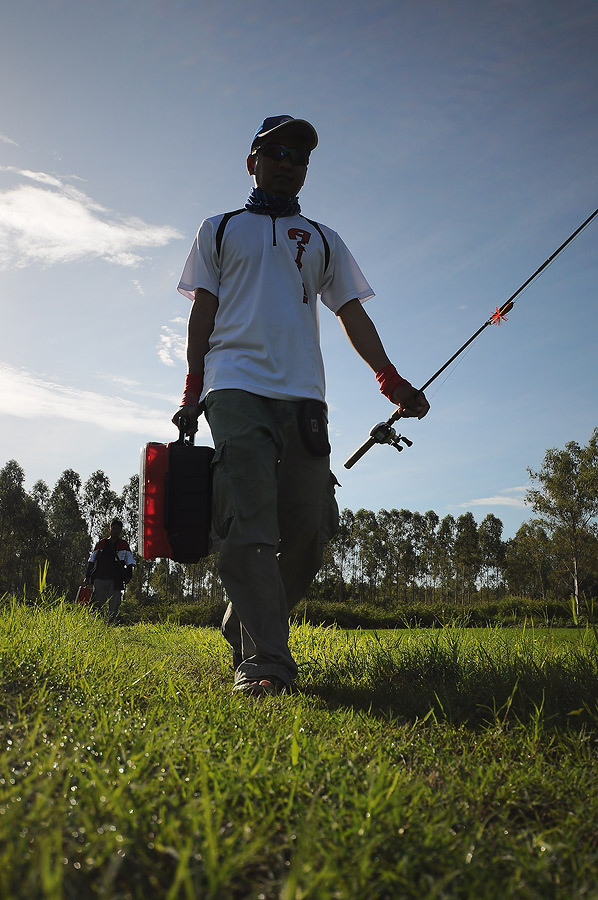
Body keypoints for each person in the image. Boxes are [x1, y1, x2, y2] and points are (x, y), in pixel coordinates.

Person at [173, 115, 429, 696]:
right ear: (252, 162)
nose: (288, 162)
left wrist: (391, 380)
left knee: (309, 530)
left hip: (305, 396)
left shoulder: (322, 238)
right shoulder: (218, 230)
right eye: (277, 152)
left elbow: (352, 313)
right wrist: (192, 393)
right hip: (234, 387)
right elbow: (202, 314)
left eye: (300, 157)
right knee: (251, 521)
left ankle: (245, 621)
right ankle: (267, 663)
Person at [86, 518, 135, 624]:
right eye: (114, 528)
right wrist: (87, 575)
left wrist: (128, 576)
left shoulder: (124, 545)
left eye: (118, 529)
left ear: (120, 531)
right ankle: (97, 624)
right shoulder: (101, 544)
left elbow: (130, 562)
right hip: (100, 578)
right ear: (110, 529)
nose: (116, 531)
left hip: (116, 580)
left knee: (114, 604)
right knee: (98, 603)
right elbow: (92, 560)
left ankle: (110, 625)